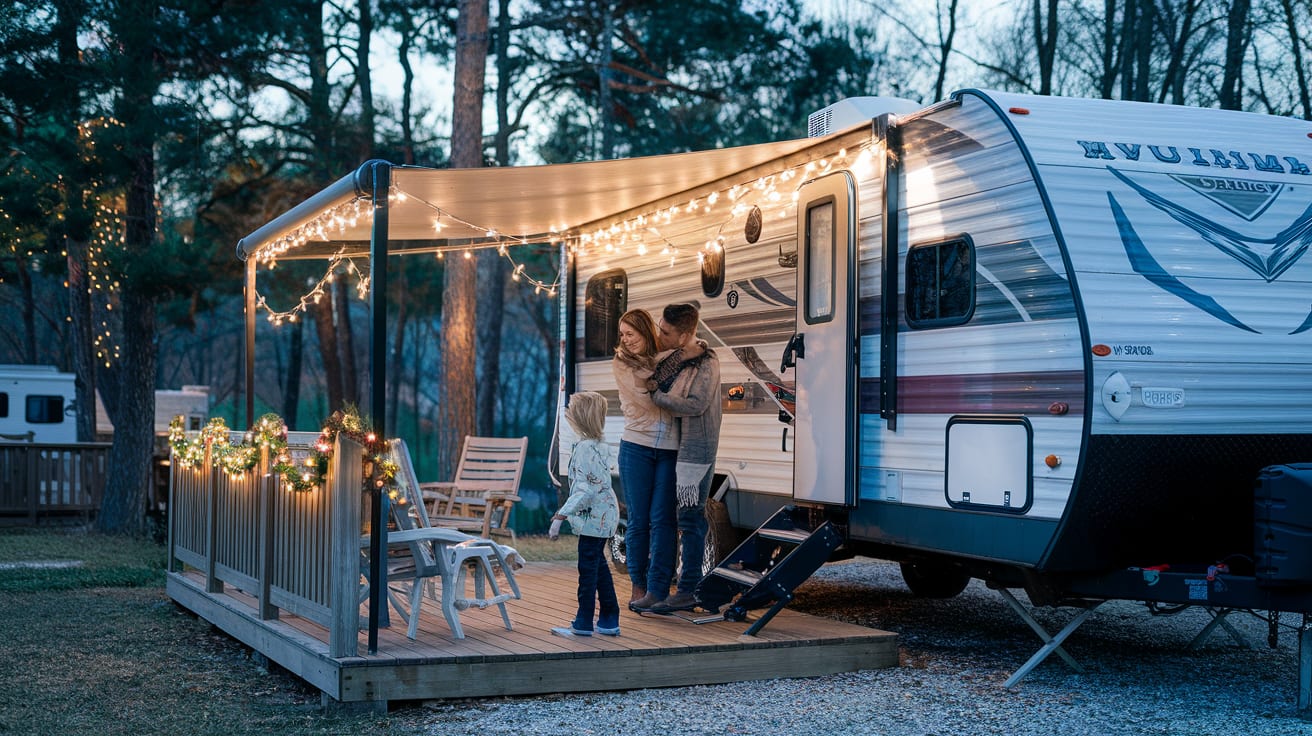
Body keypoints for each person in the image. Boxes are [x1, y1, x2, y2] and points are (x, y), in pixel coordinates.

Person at [645, 303, 723, 614]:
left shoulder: (708, 362)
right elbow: (657, 376)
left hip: (698, 449)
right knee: (678, 519)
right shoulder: (680, 358)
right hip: (677, 448)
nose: (659, 336)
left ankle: (689, 588)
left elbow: (696, 404)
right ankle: (672, 587)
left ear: (685, 335)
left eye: (666, 332)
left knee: (691, 520)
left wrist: (656, 398)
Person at [612, 309, 680, 612]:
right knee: (639, 520)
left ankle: (659, 589)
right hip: (636, 448)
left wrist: (688, 351)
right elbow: (646, 396)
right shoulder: (621, 362)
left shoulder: (667, 356)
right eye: (622, 334)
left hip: (669, 449)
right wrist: (680, 356)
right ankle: (638, 584)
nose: (626, 340)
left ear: (645, 331)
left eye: (631, 333)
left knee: (663, 521)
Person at [549, 391, 622, 637]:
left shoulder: (584, 449)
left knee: (588, 570)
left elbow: (585, 490)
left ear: (579, 418)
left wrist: (561, 515)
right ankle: (609, 618)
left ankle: (583, 622)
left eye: (571, 411)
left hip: (594, 519)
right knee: (599, 566)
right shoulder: (599, 446)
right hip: (604, 517)